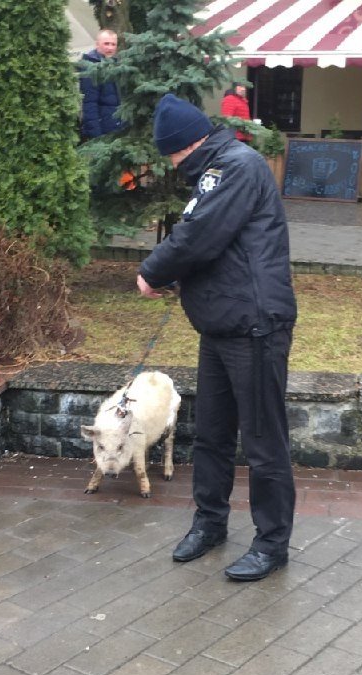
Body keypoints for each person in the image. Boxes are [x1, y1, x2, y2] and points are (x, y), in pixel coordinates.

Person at [136, 94, 297, 581]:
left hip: (255, 326)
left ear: (186, 145)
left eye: (171, 154)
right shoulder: (217, 169)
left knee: (263, 441)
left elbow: (200, 234)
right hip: (222, 324)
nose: (171, 164)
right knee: (212, 435)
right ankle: (209, 523)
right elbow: (211, 241)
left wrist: (153, 271)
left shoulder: (237, 167)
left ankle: (272, 543)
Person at [79, 29, 124, 141]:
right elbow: (89, 104)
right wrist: (96, 136)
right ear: (97, 44)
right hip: (103, 131)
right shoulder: (91, 68)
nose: (110, 48)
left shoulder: (117, 65)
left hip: (119, 128)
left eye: (113, 44)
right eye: (106, 44)